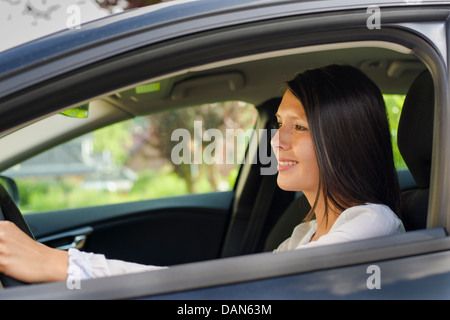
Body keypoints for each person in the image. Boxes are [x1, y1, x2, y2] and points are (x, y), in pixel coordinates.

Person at [0, 64, 405, 283]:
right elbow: (236, 287)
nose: (276, 140)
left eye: (298, 127)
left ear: (342, 139)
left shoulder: (371, 224)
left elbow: (242, 294)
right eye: (279, 123)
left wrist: (69, 267)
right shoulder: (305, 234)